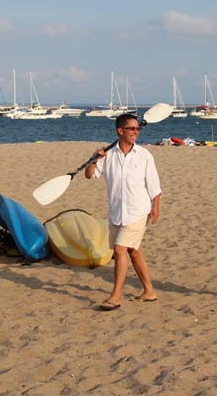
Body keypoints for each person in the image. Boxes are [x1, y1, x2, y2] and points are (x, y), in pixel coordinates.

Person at [85, 113, 162, 311]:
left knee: (119, 250)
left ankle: (115, 296)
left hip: (138, 211)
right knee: (133, 251)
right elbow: (90, 175)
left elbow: (154, 185)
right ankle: (149, 291)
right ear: (120, 131)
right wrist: (93, 159)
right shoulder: (108, 155)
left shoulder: (144, 155)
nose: (136, 132)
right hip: (117, 212)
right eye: (132, 129)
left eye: (138, 129)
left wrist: (156, 206)